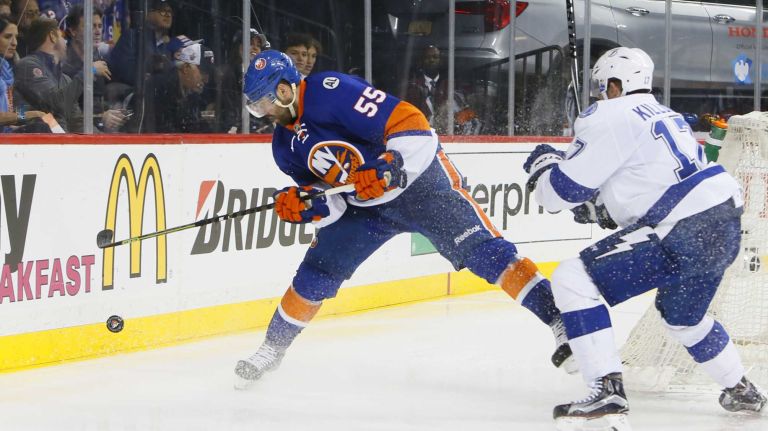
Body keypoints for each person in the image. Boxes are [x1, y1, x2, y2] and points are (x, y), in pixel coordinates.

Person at [233, 50, 574, 388]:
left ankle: (561, 319)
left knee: (485, 253)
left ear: (283, 89)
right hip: (365, 209)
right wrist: (308, 206)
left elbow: (410, 121)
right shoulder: (282, 146)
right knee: (317, 272)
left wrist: (392, 163)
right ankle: (272, 348)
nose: (263, 113)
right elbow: (329, 200)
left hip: (420, 184)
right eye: (255, 107)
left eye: (263, 103)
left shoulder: (329, 90)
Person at [523, 47, 766, 427]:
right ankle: (740, 389)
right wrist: (601, 206)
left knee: (573, 278)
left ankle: (606, 388)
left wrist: (545, 169)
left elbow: (561, 193)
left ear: (617, 85)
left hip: (684, 227)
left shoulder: (608, 114)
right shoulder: (664, 114)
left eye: (603, 87)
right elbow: (639, 183)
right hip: (723, 223)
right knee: (683, 319)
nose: (600, 95)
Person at [13, 16, 111, 132]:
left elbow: (77, 122)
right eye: (62, 36)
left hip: (61, 142)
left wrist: (103, 137)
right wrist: (89, 71)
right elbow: (56, 102)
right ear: (52, 36)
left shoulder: (64, 79)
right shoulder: (27, 66)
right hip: (32, 141)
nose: (65, 42)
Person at [62, 4, 126, 132]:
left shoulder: (97, 57)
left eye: (100, 26)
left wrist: (111, 112)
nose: (97, 31)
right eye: (91, 26)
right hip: (74, 132)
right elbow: (66, 108)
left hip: (97, 126)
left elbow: (98, 100)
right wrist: (101, 118)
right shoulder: (64, 62)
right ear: (73, 31)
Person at [136, 34, 208, 133]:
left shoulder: (190, 93)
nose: (205, 79)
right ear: (186, 68)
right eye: (202, 72)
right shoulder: (159, 87)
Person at [403, 45, 481, 135]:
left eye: (435, 57)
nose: (431, 60)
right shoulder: (412, 88)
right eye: (427, 57)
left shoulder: (452, 86)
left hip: (450, 138)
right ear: (421, 61)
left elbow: (468, 115)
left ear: (441, 61)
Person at [0, 16, 50, 131]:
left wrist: (28, 114)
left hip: (7, 132)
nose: (14, 43)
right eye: (8, 37)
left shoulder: (6, 69)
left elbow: (15, 109)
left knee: (45, 121)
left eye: (16, 37)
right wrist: (32, 114)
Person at [108, 0, 173, 86]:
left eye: (170, 12)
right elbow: (121, 68)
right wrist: (149, 67)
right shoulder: (132, 36)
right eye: (163, 11)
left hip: (155, 94)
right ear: (148, 14)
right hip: (131, 92)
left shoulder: (166, 47)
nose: (168, 15)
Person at [219, 28, 271, 133]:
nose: (255, 48)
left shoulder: (263, 76)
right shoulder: (231, 74)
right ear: (237, 48)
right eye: (250, 43)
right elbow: (231, 112)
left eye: (258, 45)